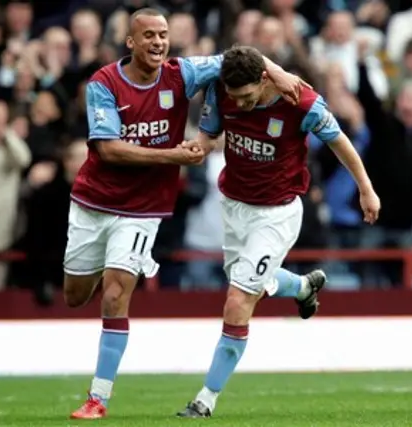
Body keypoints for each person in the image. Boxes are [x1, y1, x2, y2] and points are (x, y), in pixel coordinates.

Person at [65, 8, 307, 420]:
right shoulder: (103, 83)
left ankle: (98, 398)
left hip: (143, 209)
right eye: (149, 36)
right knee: (76, 296)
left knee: (116, 291)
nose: (159, 42)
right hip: (94, 202)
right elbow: (108, 149)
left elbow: (239, 57)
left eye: (163, 35)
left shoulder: (182, 73)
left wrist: (277, 73)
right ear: (131, 42)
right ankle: (298, 285)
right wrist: (172, 154)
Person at [176, 46, 381, 418]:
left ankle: (205, 400)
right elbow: (208, 137)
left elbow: (340, 143)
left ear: (265, 78)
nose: (240, 102)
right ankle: (302, 287)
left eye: (247, 95)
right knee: (246, 283)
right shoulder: (222, 90)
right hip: (234, 205)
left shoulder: (301, 102)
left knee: (239, 299)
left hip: (276, 213)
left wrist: (366, 189)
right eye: (234, 96)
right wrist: (194, 149)